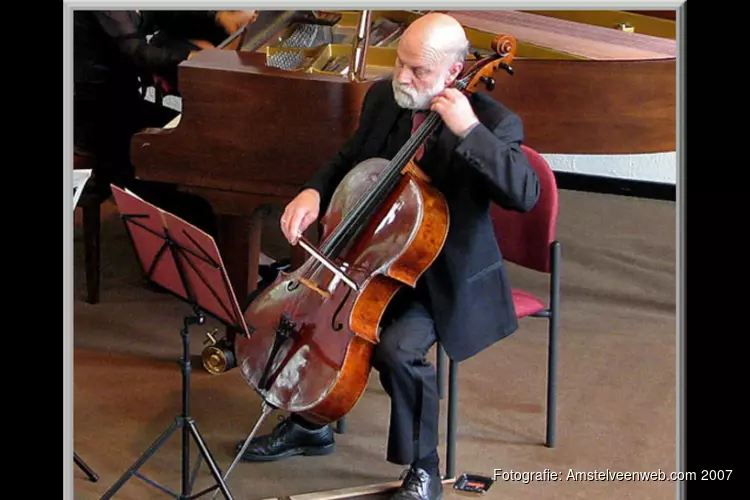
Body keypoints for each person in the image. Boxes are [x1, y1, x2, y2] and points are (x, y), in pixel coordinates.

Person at [236, 13, 540, 500]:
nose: (403, 77)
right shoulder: (385, 98)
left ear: (454, 71)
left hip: (436, 278)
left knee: (398, 349)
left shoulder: (494, 123)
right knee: (308, 316)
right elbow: (349, 159)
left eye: (418, 71)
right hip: (367, 257)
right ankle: (311, 424)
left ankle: (424, 468)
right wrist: (313, 193)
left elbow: (524, 194)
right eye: (401, 63)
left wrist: (468, 132)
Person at [74, 10, 254, 236]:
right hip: (94, 113)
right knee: (176, 173)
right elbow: (135, 52)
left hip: (124, 100)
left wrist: (219, 18)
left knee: (201, 147)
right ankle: (202, 254)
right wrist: (191, 59)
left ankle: (228, 251)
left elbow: (165, 15)